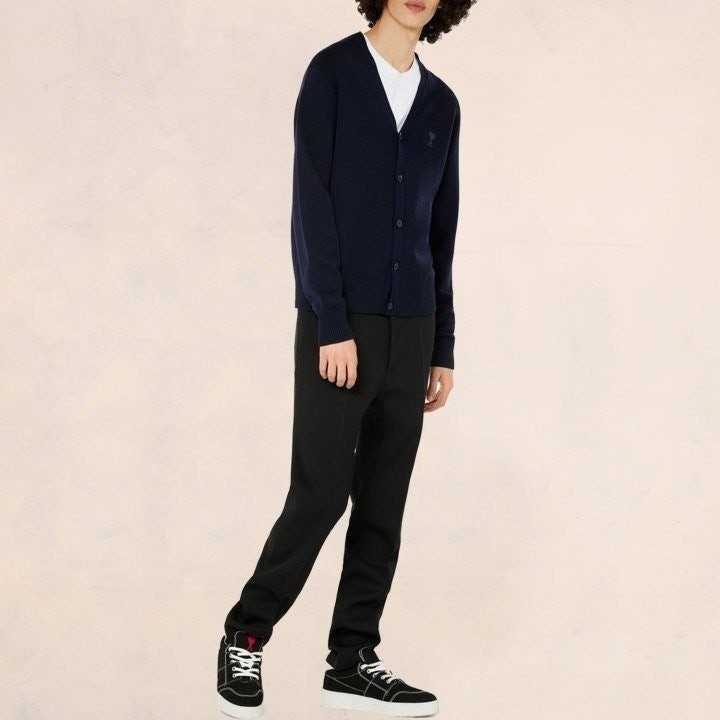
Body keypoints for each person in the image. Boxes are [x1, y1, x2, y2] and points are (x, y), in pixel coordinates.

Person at [216, 0, 472, 716]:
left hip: (413, 328)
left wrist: (443, 343)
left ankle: (353, 658)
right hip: (341, 325)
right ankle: (246, 632)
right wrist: (330, 320)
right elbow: (313, 203)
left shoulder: (442, 104)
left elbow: (441, 228)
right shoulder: (332, 73)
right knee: (321, 492)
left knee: (384, 501)